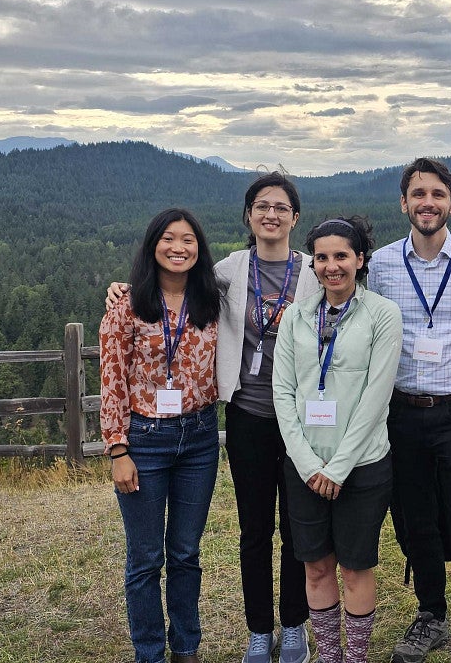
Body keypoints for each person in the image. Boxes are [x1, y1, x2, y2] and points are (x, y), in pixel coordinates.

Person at [108, 173, 320, 663]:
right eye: (261, 206)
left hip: (303, 419)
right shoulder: (225, 272)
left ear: (295, 217)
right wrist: (121, 288)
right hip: (246, 416)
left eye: (281, 206)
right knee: (253, 531)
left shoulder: (315, 271)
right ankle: (257, 633)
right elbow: (168, 284)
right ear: (248, 216)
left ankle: (294, 627)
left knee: (296, 529)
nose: (271, 214)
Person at [369, 158, 451, 663]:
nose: (428, 202)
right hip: (400, 413)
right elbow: (325, 284)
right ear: (403, 203)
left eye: (437, 194)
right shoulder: (378, 265)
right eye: (418, 193)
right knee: (415, 521)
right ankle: (431, 615)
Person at [273, 216, 402, 663]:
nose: (332, 266)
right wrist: (308, 465)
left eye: (341, 256)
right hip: (305, 467)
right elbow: (283, 392)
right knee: (315, 565)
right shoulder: (296, 315)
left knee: (355, 567)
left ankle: (356, 657)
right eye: (322, 257)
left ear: (360, 259)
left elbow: (376, 397)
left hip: (363, 466)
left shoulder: (383, 315)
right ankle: (329, 655)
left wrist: (339, 467)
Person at [100, 207, 226, 663]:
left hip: (199, 438)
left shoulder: (213, 301)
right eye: (169, 238)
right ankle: (149, 652)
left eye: (189, 239)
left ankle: (186, 648)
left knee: (187, 553)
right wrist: (118, 449)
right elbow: (111, 380)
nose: (179, 247)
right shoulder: (127, 307)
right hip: (145, 440)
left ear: (200, 248)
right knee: (146, 557)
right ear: (153, 245)